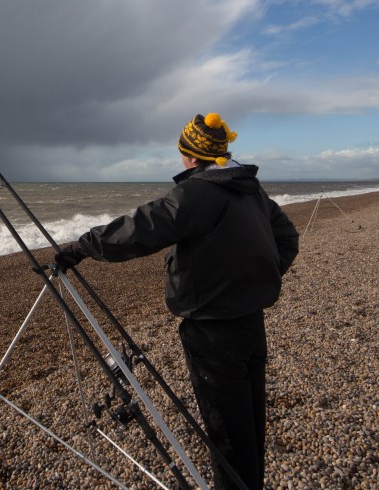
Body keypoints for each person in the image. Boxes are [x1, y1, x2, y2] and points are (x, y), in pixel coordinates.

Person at [55, 112, 299, 489]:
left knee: (228, 435)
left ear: (189, 155)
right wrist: (250, 282)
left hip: (213, 332)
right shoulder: (250, 188)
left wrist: (83, 246)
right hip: (250, 321)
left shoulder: (197, 192)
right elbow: (286, 240)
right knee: (247, 424)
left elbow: (141, 229)